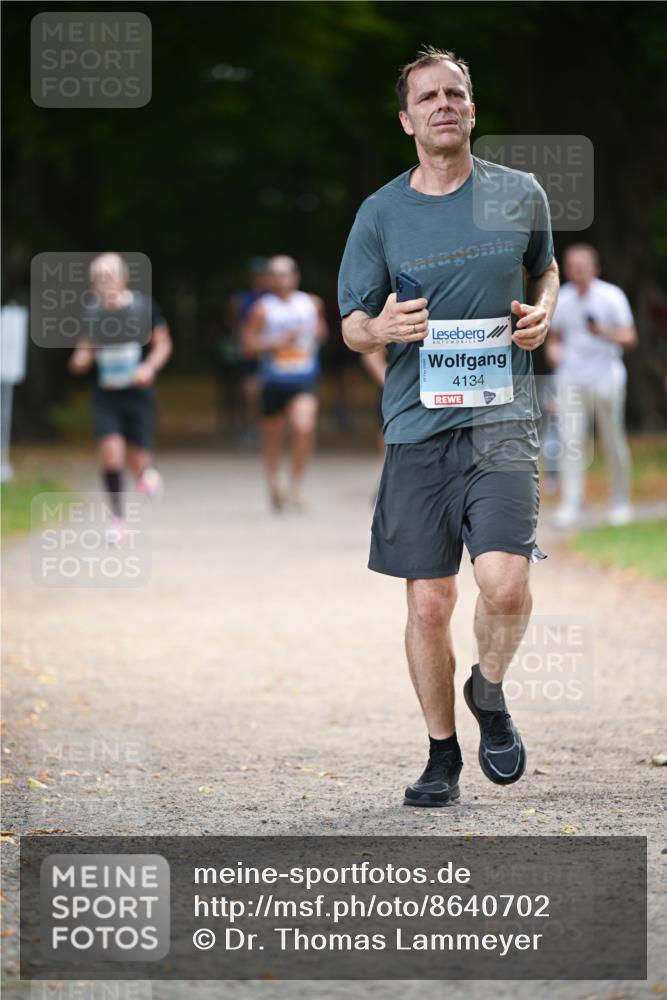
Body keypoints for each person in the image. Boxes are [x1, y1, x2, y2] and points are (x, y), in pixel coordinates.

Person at [338, 46, 559, 807]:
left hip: (501, 419)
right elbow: (350, 326)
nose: (443, 104)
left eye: (455, 93)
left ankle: (487, 691)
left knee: (503, 585)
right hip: (416, 427)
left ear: (471, 109)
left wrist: (544, 312)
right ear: (406, 120)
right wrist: (382, 328)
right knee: (429, 602)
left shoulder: (519, 194)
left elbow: (545, 270)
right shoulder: (380, 212)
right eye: (427, 96)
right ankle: (440, 755)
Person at [69, 253, 172, 542]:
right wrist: (80, 359)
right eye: (98, 279)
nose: (104, 284)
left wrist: (149, 367)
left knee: (138, 460)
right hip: (107, 394)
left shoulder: (143, 307)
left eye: (109, 277)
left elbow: (163, 344)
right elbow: (87, 347)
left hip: (138, 394)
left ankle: (144, 475)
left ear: (123, 278)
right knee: (111, 453)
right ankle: (117, 518)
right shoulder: (92, 312)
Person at [546, 244, 638, 529]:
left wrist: (604, 333)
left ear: (595, 267)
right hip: (571, 380)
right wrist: (555, 356)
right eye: (572, 264)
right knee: (571, 444)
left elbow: (629, 337)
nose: (578, 269)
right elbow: (554, 338)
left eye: (583, 264)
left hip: (606, 379)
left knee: (613, 441)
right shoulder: (562, 299)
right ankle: (571, 504)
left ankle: (620, 501)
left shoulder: (611, 296)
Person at [241, 255, 327, 511]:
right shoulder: (261, 309)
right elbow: (247, 345)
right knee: (273, 438)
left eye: (286, 273)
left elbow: (321, 333)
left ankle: (296, 486)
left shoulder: (311, 303)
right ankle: (273, 485)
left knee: (304, 427)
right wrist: (276, 344)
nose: (281, 278)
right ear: (268, 279)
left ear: (296, 276)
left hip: (303, 379)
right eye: (275, 274)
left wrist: (312, 337)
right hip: (274, 381)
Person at [219, 257, 268, 444]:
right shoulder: (239, 299)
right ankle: (251, 427)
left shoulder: (274, 299)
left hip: (270, 353)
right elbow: (233, 323)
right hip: (249, 352)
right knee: (249, 391)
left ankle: (262, 427)